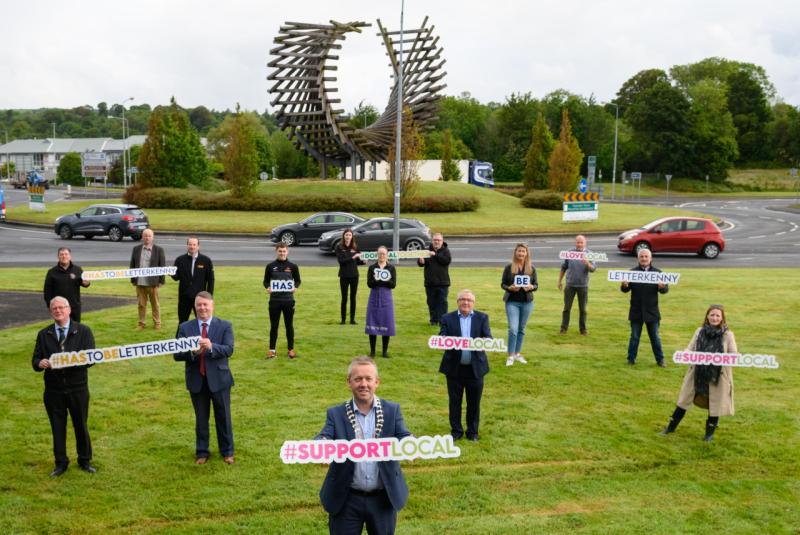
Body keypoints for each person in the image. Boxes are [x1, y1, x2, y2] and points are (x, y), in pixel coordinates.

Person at [316, 356, 412, 535]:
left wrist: (410, 444)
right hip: (346, 498)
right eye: (358, 379)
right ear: (349, 382)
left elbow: (403, 435)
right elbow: (324, 436)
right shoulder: (335, 413)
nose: (363, 384)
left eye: (368, 379)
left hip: (382, 499)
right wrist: (322, 446)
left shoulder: (392, 410)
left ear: (377, 382)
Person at [32, 296, 97, 477]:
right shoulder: (44, 334)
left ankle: (84, 460)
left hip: (78, 388)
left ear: (69, 310)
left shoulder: (83, 331)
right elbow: (35, 360)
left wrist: (66, 361)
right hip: (53, 390)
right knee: (57, 427)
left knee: (80, 425)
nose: (58, 311)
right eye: (55, 308)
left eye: (61, 307)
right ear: (51, 312)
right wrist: (41, 363)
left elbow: (90, 359)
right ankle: (60, 463)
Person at [173, 291, 235, 464]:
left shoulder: (225, 326)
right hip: (197, 380)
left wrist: (212, 346)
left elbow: (229, 350)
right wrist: (192, 353)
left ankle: (227, 451)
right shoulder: (185, 327)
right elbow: (177, 354)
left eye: (205, 304)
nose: (202, 308)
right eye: (199, 305)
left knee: (223, 417)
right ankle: (202, 452)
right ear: (195, 307)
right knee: (201, 418)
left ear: (212, 306)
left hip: (220, 380)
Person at [660, 305, 736, 441]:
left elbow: (733, 355)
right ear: (707, 316)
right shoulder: (699, 331)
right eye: (712, 315)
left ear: (722, 318)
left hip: (717, 375)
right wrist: (685, 354)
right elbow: (690, 348)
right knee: (683, 401)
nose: (714, 318)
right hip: (697, 372)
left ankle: (709, 435)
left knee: (715, 405)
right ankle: (670, 427)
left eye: (718, 315)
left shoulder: (728, 335)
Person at [438, 289, 491, 441]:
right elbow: (443, 334)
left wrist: (486, 343)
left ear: (473, 303)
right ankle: (456, 431)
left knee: (474, 403)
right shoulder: (447, 318)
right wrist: (441, 340)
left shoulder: (482, 318)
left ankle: (473, 432)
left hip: (476, 369)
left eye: (469, 300)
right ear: (457, 302)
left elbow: (488, 337)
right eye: (462, 299)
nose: (465, 302)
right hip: (454, 368)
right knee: (454, 402)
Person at [621, 248, 669, 367]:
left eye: (646, 256)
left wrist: (662, 287)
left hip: (652, 311)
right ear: (638, 258)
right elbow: (625, 290)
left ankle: (660, 360)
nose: (644, 259)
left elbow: (665, 290)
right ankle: (631, 359)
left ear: (650, 258)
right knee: (634, 337)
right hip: (636, 311)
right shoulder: (631, 272)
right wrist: (624, 285)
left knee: (655, 337)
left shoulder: (658, 273)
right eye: (641, 256)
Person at [501, 243, 538, 366]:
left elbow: (536, 285)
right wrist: (510, 288)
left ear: (526, 253)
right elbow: (503, 284)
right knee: (513, 329)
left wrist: (531, 287)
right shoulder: (509, 267)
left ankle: (517, 353)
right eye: (519, 251)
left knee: (521, 329)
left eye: (523, 251)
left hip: (527, 303)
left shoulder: (531, 268)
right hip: (512, 302)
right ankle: (510, 355)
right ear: (515, 253)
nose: (521, 253)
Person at [263, 242, 301, 359]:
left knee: (289, 325)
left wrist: (295, 287)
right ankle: (272, 350)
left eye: (284, 251)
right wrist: (268, 287)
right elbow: (265, 281)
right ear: (276, 251)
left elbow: (298, 280)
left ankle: (290, 349)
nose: (282, 253)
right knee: (274, 326)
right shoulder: (270, 266)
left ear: (287, 251)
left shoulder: (293, 266)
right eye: (280, 251)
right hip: (274, 300)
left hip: (288, 300)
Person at [557, 235, 596, 335]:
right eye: (578, 242)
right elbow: (563, 267)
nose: (579, 244)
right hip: (570, 285)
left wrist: (587, 263)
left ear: (585, 243)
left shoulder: (590, 254)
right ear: (575, 242)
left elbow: (593, 269)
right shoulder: (569, 252)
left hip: (583, 285)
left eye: (581, 242)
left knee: (583, 309)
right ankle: (563, 328)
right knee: (566, 308)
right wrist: (559, 281)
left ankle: (583, 329)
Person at [171, 237, 215, 323]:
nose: (192, 247)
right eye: (190, 244)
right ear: (187, 246)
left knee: (202, 322)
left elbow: (211, 279)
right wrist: (171, 272)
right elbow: (176, 277)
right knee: (182, 322)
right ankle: (180, 337)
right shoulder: (180, 260)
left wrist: (209, 296)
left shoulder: (206, 260)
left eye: (194, 245)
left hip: (200, 298)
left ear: (198, 246)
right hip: (184, 297)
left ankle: (203, 337)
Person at [129, 228, 166, 330]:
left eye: (149, 236)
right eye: (145, 235)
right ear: (142, 237)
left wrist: (161, 281)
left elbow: (162, 266)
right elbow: (132, 265)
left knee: (155, 305)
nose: (147, 238)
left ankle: (157, 323)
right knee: (141, 305)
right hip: (140, 282)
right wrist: (133, 279)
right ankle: (141, 324)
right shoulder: (136, 249)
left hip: (153, 283)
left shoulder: (159, 250)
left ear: (152, 237)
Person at [44, 247, 90, 322]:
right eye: (61, 254)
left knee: (76, 329)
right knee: (61, 329)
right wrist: (50, 305)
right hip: (59, 307)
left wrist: (86, 283)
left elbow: (84, 283)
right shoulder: (52, 272)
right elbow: (47, 291)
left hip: (74, 306)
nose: (64, 256)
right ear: (58, 257)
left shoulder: (77, 269)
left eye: (66, 254)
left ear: (70, 256)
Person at [365, 246, 396, 359]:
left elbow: (393, 285)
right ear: (377, 255)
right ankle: (372, 351)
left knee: (386, 323)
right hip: (374, 297)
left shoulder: (391, 268)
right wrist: (377, 280)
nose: (382, 256)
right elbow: (369, 284)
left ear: (387, 255)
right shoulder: (372, 267)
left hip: (386, 299)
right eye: (380, 254)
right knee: (372, 323)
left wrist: (385, 280)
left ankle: (384, 351)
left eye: (383, 254)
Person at [417, 232, 451, 326]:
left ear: (442, 241)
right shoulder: (426, 250)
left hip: (442, 283)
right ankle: (433, 320)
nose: (436, 242)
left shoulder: (446, 251)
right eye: (435, 240)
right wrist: (421, 261)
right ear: (432, 241)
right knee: (431, 303)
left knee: (442, 303)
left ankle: (443, 321)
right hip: (430, 283)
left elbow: (446, 261)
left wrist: (435, 255)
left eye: (438, 240)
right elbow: (421, 264)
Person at [336, 229, 365, 325]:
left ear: (352, 237)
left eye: (350, 235)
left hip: (354, 276)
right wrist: (353, 257)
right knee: (344, 298)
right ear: (343, 236)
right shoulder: (339, 247)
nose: (348, 237)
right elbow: (341, 261)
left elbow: (357, 261)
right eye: (346, 235)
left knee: (353, 297)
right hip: (344, 275)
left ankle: (352, 320)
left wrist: (363, 262)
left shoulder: (355, 247)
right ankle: (343, 320)